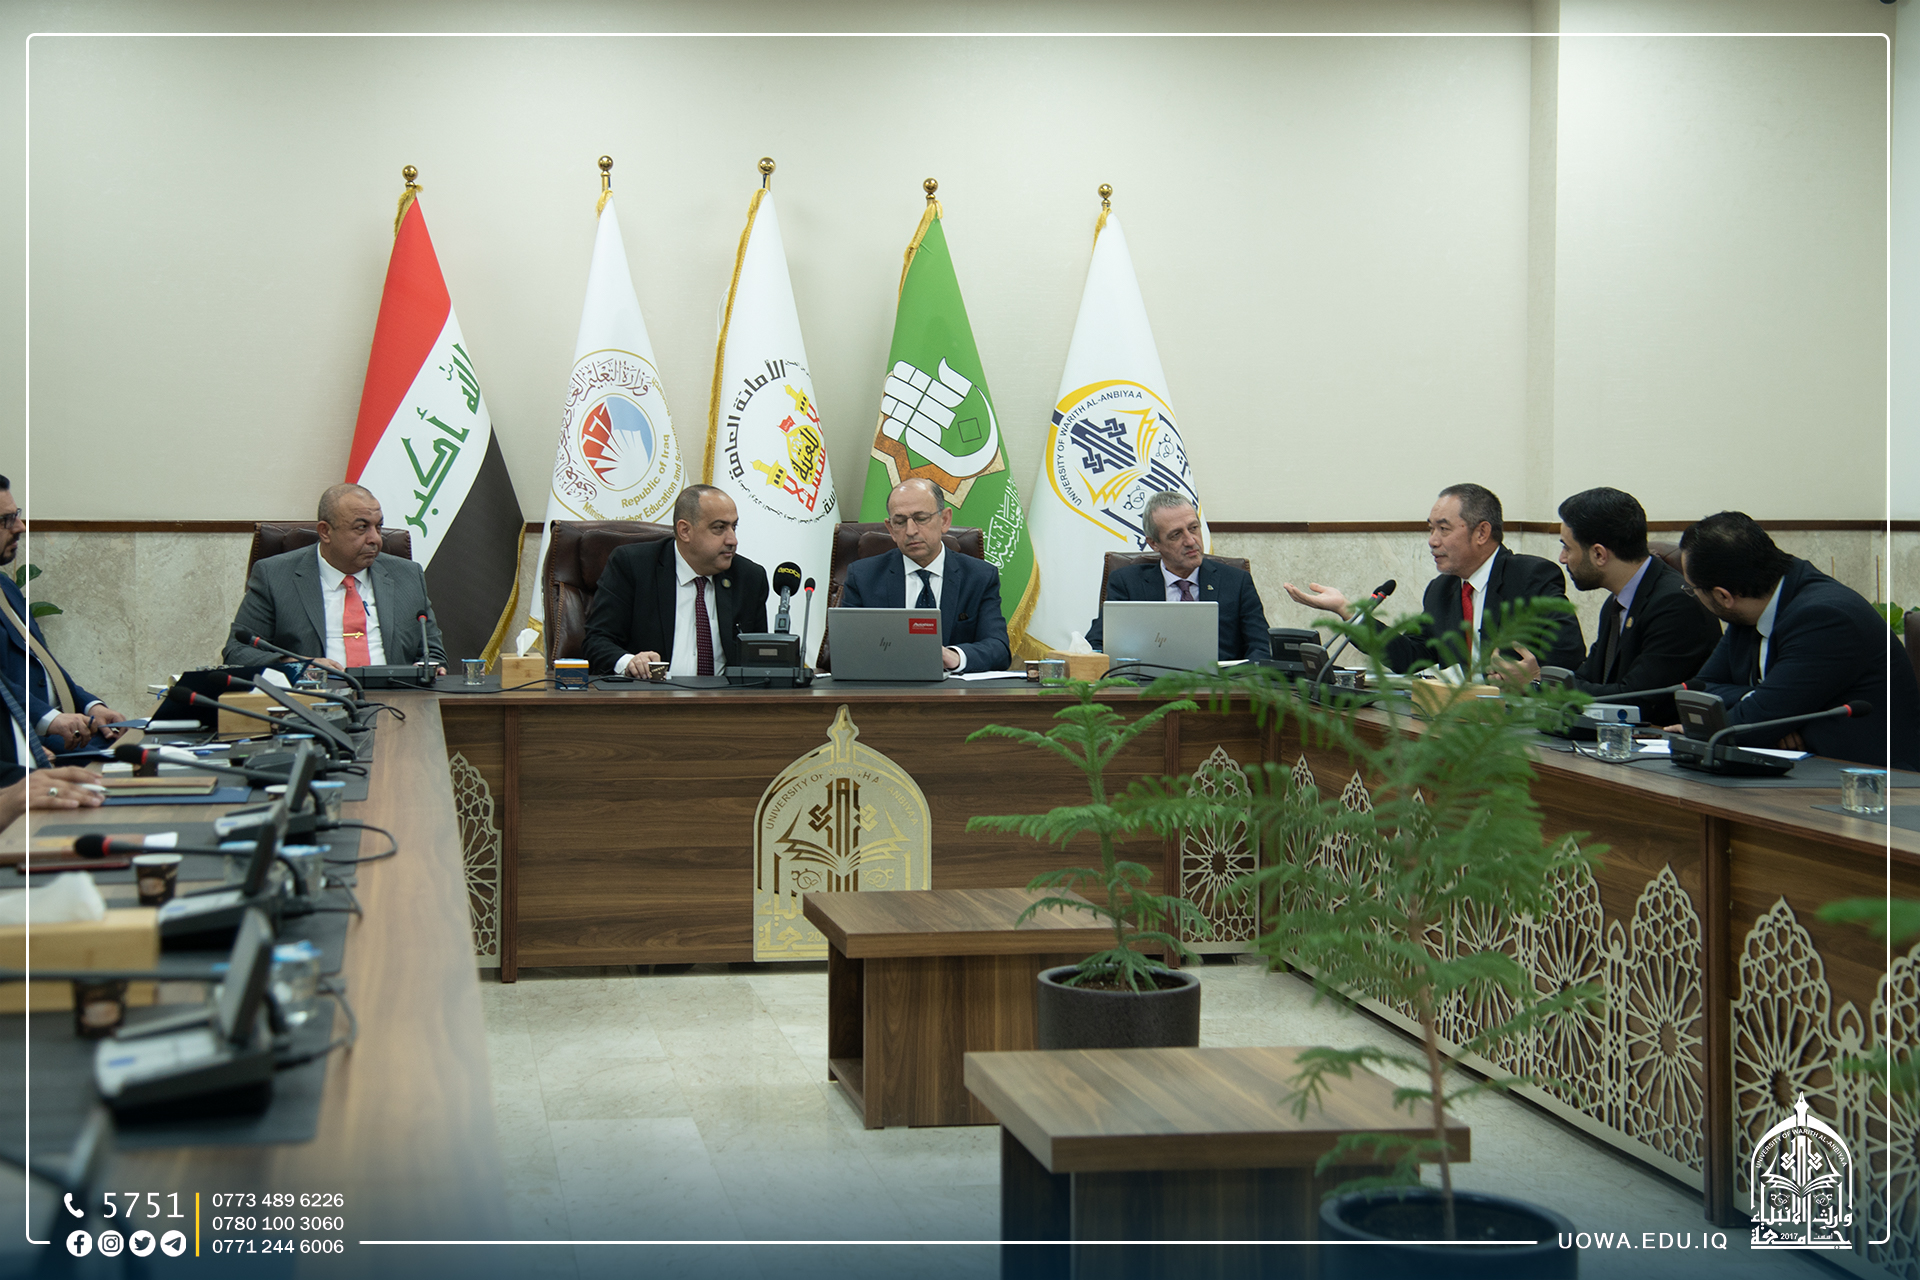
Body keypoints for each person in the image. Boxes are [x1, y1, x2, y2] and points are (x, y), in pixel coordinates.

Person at [1677, 511, 1919, 770]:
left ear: (1723, 596)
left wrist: (1768, 715)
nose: (1693, 595)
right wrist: (1762, 703)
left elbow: (1750, 725)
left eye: (1692, 589)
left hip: (1870, 778)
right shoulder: (1749, 606)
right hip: (1803, 768)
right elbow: (1701, 690)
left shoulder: (1826, 618)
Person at [1284, 482, 1584, 674]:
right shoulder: (1442, 590)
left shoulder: (1531, 577)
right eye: (1431, 529)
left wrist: (1534, 678)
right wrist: (1348, 611)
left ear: (1481, 532)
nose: (1432, 540)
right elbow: (1410, 656)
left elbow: (1569, 661)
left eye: (1443, 529)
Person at [1490, 487, 1721, 723]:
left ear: (1599, 554)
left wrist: (1537, 682)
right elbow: (1588, 678)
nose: (1562, 558)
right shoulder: (1617, 602)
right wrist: (1533, 680)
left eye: (1567, 547)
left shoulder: (1675, 606)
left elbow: (1634, 698)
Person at [224, 483, 446, 674]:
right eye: (362, 528)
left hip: (395, 699)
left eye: (378, 526)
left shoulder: (407, 575)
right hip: (313, 700)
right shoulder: (275, 576)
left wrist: (427, 669)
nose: (375, 539)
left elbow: (433, 653)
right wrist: (294, 664)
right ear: (325, 532)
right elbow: (237, 652)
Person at [584, 484, 770, 679]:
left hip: (724, 696)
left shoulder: (749, 578)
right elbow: (596, 641)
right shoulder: (634, 566)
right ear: (685, 531)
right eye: (719, 528)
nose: (732, 540)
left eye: (734, 527)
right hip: (653, 694)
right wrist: (630, 662)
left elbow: (758, 660)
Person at [0, 476, 130, 753]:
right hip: (28, 748)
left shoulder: (5, 587)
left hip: (72, 735)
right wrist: (48, 719)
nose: (20, 527)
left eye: (17, 515)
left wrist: (91, 707)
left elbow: (45, 668)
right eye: (6, 520)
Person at [838, 478, 1011, 671]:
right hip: (888, 684)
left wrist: (953, 656)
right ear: (891, 529)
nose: (911, 531)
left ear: (944, 520)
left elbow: (998, 649)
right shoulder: (863, 577)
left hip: (952, 687)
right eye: (900, 522)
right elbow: (847, 649)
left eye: (921, 518)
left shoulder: (979, 577)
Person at [1085, 491, 1272, 661]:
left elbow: (1261, 647)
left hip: (1223, 684)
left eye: (1193, 528)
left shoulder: (1237, 582)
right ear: (1154, 543)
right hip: (1150, 684)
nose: (1191, 541)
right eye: (1176, 535)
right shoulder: (1127, 583)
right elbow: (1097, 644)